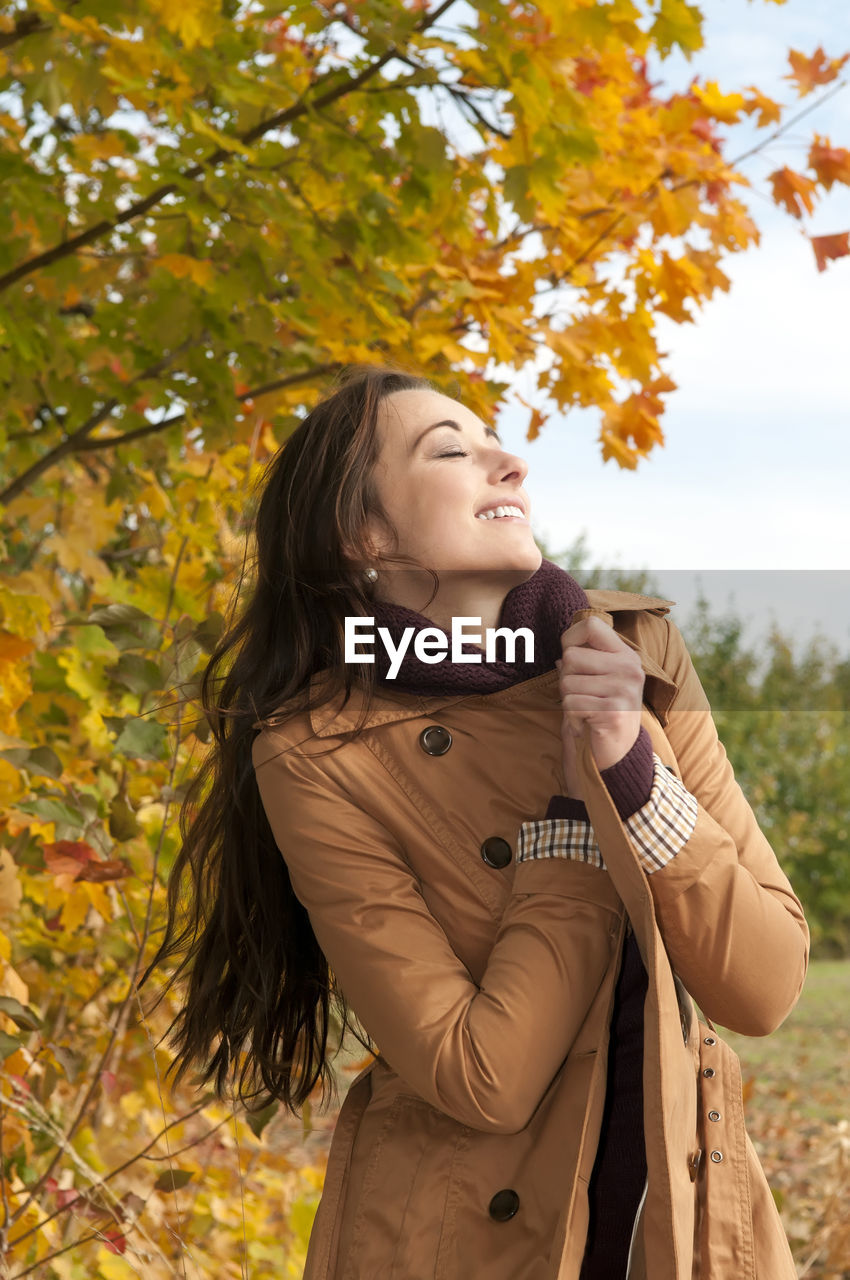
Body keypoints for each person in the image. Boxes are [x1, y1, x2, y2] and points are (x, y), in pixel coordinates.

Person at [154, 364, 809, 1279]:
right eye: (453, 450)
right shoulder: (315, 753)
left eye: (495, 440)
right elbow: (481, 1077)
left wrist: (632, 765)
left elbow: (767, 986)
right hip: (463, 1241)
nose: (510, 464)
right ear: (364, 532)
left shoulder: (635, 655)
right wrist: (581, 821)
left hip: (682, 1221)